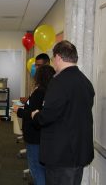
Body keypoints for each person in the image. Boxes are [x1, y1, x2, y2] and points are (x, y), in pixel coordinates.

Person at [31, 40, 95, 185]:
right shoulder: (85, 82)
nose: (53, 62)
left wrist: (36, 115)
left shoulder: (59, 82)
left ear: (58, 57)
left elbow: (48, 116)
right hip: (79, 152)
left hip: (61, 154)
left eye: (53, 59)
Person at [13, 65, 55, 185]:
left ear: (40, 77)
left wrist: (19, 111)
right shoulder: (50, 91)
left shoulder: (39, 92)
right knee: (42, 168)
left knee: (36, 169)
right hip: (43, 137)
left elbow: (33, 115)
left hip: (34, 137)